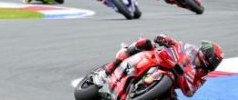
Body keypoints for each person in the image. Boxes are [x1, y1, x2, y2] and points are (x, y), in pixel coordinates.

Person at [93, 34, 224, 99]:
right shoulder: (190, 50)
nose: (214, 64)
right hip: (158, 59)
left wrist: (185, 81)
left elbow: (190, 92)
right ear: (205, 54)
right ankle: (108, 70)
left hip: (170, 82)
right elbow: (176, 44)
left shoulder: (202, 77)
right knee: (146, 43)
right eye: (214, 61)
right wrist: (166, 39)